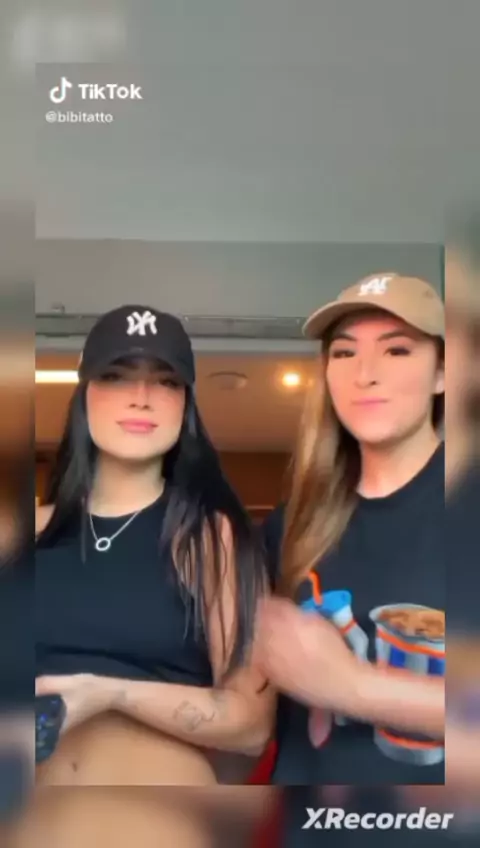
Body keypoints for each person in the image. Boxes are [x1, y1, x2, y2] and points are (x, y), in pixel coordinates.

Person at [35, 304, 274, 803]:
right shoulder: (28, 533)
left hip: (156, 818)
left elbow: (252, 726)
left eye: (165, 381)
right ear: (85, 395)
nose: (141, 397)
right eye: (116, 375)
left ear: (185, 405)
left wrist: (107, 693)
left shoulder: (211, 539)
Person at [257, 272, 445, 786]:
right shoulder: (290, 526)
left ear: (442, 375)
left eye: (397, 350)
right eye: (343, 353)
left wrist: (352, 687)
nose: (365, 374)